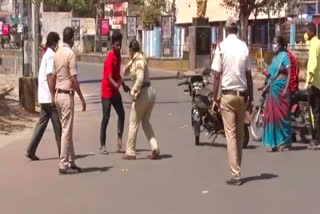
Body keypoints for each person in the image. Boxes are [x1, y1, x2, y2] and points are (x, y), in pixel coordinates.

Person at [211, 17, 253, 186]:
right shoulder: (243, 46)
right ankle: (237, 168)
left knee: (231, 134)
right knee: (241, 134)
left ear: (226, 30)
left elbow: (216, 75)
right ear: (236, 30)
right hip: (242, 95)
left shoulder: (221, 47)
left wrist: (214, 97)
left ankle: (236, 174)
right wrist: (251, 97)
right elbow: (249, 75)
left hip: (227, 96)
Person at [48, 27, 86, 175]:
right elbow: (74, 79)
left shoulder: (57, 54)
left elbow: (52, 77)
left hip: (58, 94)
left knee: (67, 129)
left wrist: (52, 95)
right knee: (66, 130)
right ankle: (63, 165)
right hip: (66, 95)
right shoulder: (70, 54)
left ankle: (71, 162)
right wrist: (81, 98)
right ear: (72, 39)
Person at [25, 32, 61, 161]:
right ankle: (63, 153)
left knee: (42, 124)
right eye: (58, 42)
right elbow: (50, 76)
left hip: (44, 95)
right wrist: (53, 95)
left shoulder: (47, 54)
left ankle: (31, 149)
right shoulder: (51, 55)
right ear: (55, 43)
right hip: (48, 96)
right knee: (58, 125)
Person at [122, 40, 160, 160]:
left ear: (131, 50)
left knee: (133, 122)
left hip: (143, 93)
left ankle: (130, 152)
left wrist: (133, 92)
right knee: (145, 122)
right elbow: (126, 72)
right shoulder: (138, 59)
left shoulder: (139, 61)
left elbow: (140, 79)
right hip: (149, 93)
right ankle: (154, 147)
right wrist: (129, 64)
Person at [99, 32, 130, 154]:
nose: (119, 47)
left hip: (115, 92)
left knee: (121, 114)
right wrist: (117, 84)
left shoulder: (119, 57)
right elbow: (110, 77)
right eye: (117, 45)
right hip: (107, 92)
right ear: (113, 45)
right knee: (106, 117)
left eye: (120, 45)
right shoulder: (109, 58)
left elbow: (117, 75)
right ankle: (102, 145)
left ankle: (119, 142)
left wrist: (123, 85)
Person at [262, 36, 292, 152]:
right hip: (273, 89)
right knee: (271, 116)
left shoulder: (285, 56)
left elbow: (289, 73)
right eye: (273, 43)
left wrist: (286, 88)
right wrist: (265, 85)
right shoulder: (275, 59)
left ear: (280, 45)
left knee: (282, 117)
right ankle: (274, 142)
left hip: (281, 88)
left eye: (275, 43)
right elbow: (271, 75)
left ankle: (284, 143)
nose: (273, 45)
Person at [304, 23, 320, 150]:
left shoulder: (314, 44)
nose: (305, 34)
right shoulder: (318, 43)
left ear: (310, 32)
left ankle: (316, 140)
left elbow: (313, 63)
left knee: (314, 113)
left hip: (315, 84)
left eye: (306, 31)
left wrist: (308, 80)